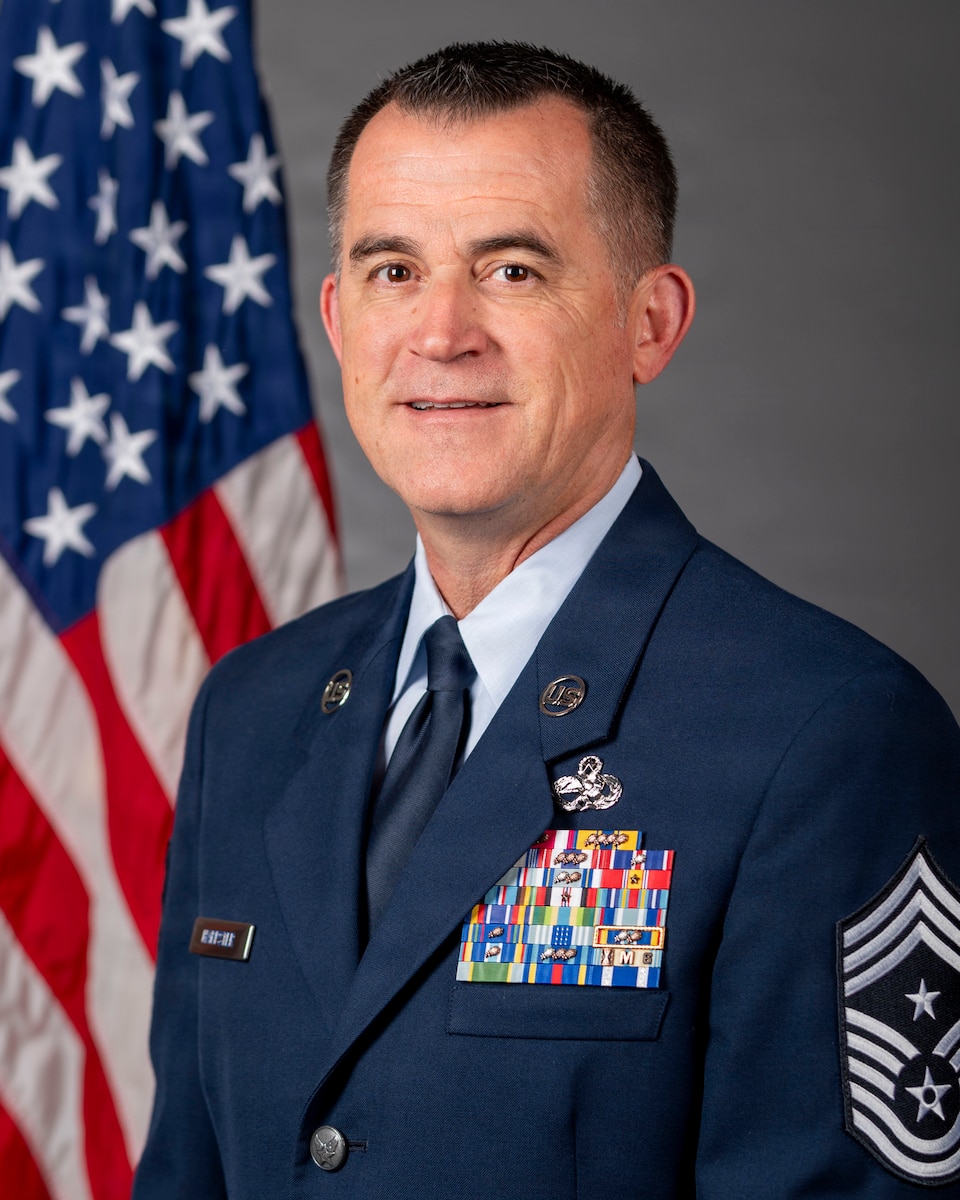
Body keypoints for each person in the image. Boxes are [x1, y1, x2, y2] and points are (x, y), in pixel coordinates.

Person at [133, 42, 960, 1198]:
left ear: (650, 323)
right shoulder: (255, 711)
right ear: (334, 317)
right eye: (391, 271)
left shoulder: (827, 737)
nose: (441, 332)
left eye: (512, 270)